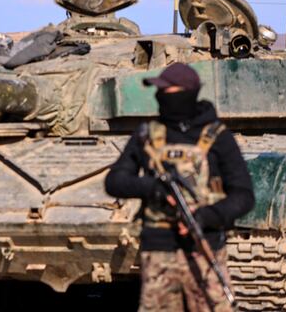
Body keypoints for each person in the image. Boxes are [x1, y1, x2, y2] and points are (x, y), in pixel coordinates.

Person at [104, 62, 254, 312]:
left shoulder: (217, 136)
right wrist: (153, 188)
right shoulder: (146, 135)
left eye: (167, 90)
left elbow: (244, 195)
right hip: (158, 251)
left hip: (204, 247)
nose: (160, 97)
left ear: (186, 92)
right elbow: (115, 181)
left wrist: (207, 216)